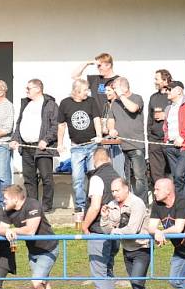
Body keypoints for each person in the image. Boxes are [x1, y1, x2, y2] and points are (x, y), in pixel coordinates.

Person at [0, 184, 57, 289]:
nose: (4, 201)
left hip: (48, 249)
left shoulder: (33, 204)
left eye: (6, 198)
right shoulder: (8, 210)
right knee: (44, 281)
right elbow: (0, 229)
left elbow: (30, 231)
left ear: (15, 198)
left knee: (36, 283)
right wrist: (6, 230)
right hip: (33, 252)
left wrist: (12, 230)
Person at [101, 177, 151, 289]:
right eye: (112, 191)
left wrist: (116, 232)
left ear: (126, 188)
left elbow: (133, 229)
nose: (115, 194)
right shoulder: (112, 204)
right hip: (127, 249)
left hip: (142, 247)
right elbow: (107, 231)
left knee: (136, 281)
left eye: (117, 190)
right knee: (136, 282)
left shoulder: (137, 203)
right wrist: (104, 218)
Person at [81, 148, 122, 289]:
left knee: (99, 273)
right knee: (108, 272)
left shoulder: (96, 178)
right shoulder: (118, 177)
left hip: (98, 230)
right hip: (115, 231)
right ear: (109, 160)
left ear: (94, 160)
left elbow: (95, 205)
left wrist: (85, 225)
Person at [10, 79, 59, 212]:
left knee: (46, 178)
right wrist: (15, 139)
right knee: (29, 179)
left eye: (29, 88)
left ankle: (46, 207)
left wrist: (46, 140)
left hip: (41, 147)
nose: (26, 91)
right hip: (26, 147)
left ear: (38, 89)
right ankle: (33, 206)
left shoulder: (50, 104)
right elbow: (19, 124)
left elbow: (55, 126)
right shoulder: (26, 104)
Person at [57, 79, 103, 222]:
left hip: (91, 146)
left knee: (93, 175)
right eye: (85, 90)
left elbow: (96, 119)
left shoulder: (91, 101)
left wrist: (99, 135)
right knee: (77, 178)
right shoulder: (65, 103)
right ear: (77, 91)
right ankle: (80, 206)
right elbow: (61, 125)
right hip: (76, 147)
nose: (87, 92)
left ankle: (94, 204)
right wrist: (60, 143)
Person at [108, 77, 147, 203]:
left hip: (136, 145)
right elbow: (110, 120)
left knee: (139, 177)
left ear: (124, 87)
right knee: (124, 178)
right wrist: (111, 129)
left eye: (115, 88)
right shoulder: (115, 103)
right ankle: (127, 203)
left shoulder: (137, 98)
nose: (113, 91)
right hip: (120, 146)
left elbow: (133, 109)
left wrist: (121, 96)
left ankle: (142, 204)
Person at [72, 52, 120, 119]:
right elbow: (74, 76)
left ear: (108, 65)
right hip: (96, 119)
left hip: (112, 119)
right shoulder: (94, 79)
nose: (98, 68)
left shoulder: (118, 80)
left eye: (99, 65)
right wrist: (87, 63)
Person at [147, 69, 171, 190]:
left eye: (157, 79)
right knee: (156, 174)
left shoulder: (173, 96)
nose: (155, 81)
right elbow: (149, 119)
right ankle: (159, 201)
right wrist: (149, 138)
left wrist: (165, 115)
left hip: (170, 141)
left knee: (174, 172)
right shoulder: (153, 97)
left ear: (165, 80)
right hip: (155, 141)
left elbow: (182, 114)